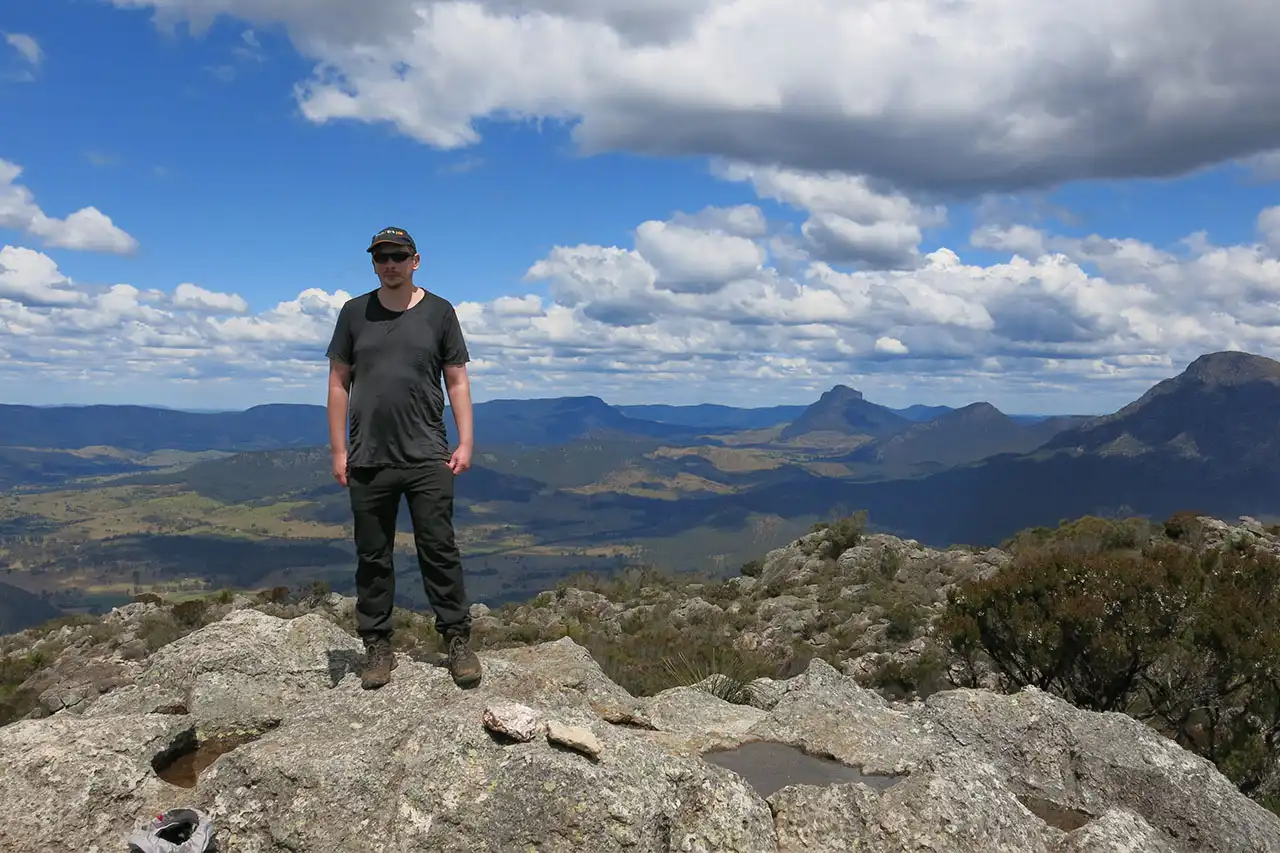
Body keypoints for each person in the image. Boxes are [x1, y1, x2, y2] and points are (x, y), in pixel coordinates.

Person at [324, 225, 481, 690]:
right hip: (368, 456)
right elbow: (338, 382)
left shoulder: (440, 312)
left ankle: (457, 640)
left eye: (398, 256)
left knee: (439, 550)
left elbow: (457, 380)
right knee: (372, 555)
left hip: (427, 454)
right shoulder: (354, 313)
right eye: (380, 257)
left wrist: (466, 440)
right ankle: (376, 645)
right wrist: (338, 449)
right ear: (373, 263)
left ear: (416, 260)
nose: (389, 264)